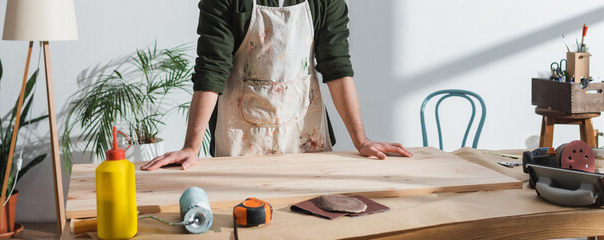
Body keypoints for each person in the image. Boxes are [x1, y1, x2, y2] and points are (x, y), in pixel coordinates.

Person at [141, 0, 411, 171]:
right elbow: (210, 72)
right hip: (241, 140)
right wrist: (190, 147)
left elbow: (337, 68)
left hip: (305, 135)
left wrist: (361, 140)